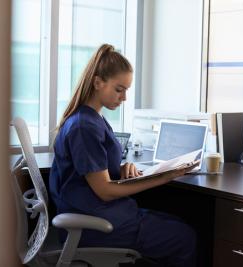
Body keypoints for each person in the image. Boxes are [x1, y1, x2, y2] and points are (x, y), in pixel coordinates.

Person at [49, 44, 197, 267]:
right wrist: (164, 177)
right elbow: (105, 191)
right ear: (98, 83)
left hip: (101, 215)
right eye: (119, 89)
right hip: (96, 226)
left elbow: (97, 169)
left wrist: (122, 168)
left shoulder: (92, 118)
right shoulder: (84, 127)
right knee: (185, 237)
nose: (124, 97)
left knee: (177, 223)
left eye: (126, 90)